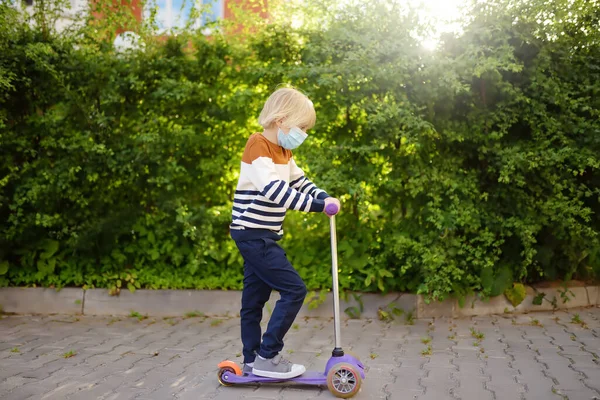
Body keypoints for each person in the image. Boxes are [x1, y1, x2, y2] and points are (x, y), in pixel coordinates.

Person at [229, 87, 341, 379]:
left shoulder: (283, 150)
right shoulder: (257, 147)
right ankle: (268, 355)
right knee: (294, 290)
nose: (303, 133)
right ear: (281, 120)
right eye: (302, 127)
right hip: (252, 234)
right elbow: (276, 191)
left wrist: (325, 197)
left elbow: (300, 182)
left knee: (253, 300)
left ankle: (252, 360)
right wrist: (317, 208)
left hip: (262, 234)